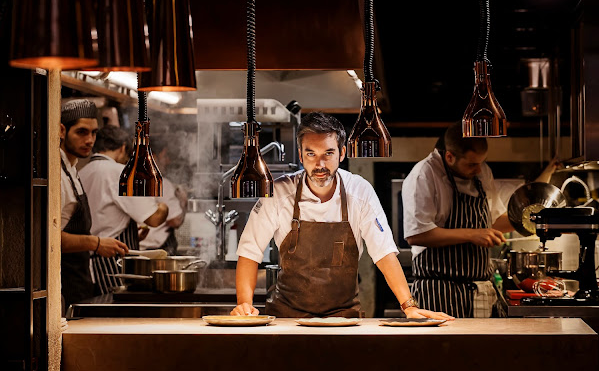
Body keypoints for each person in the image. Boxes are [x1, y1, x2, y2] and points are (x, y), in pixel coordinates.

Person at [231, 112, 454, 320]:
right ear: (300, 155)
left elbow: (384, 253)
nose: (320, 164)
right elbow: (250, 252)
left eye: (328, 153)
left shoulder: (360, 192)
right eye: (311, 154)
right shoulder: (279, 193)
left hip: (343, 319)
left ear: (342, 153)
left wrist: (409, 306)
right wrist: (244, 304)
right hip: (288, 317)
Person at [402, 122, 560, 318]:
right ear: (449, 156)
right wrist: (473, 234)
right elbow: (417, 234)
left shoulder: (482, 172)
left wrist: (531, 221)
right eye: (472, 164)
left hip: (480, 291)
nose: (478, 169)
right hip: (440, 293)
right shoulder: (424, 175)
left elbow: (493, 222)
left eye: (482, 162)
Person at [79, 125, 169, 295]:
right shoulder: (120, 172)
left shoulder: (81, 173)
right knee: (116, 309)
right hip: (113, 264)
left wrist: (131, 232)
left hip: (86, 265)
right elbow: (155, 218)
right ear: (122, 148)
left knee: (96, 308)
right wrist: (163, 206)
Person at [59, 100, 128, 308]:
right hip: (64, 285)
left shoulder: (72, 169)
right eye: (81, 132)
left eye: (94, 133)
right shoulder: (57, 175)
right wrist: (96, 244)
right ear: (61, 131)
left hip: (82, 279)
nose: (89, 140)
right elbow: (48, 239)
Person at [138, 135, 187, 255]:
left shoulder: (132, 181)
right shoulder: (162, 184)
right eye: (165, 156)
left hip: (137, 249)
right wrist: (183, 202)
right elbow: (175, 221)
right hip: (158, 253)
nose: (168, 161)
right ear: (153, 157)